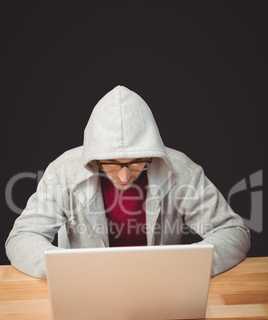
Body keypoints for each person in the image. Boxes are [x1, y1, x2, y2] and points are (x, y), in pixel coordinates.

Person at [5, 85, 250, 279]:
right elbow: (21, 238)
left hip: (160, 290)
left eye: (136, 162)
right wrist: (71, 271)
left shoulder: (182, 171)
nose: (124, 176)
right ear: (94, 159)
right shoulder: (62, 172)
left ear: (151, 154)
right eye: (110, 163)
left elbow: (233, 233)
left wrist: (181, 266)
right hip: (88, 290)